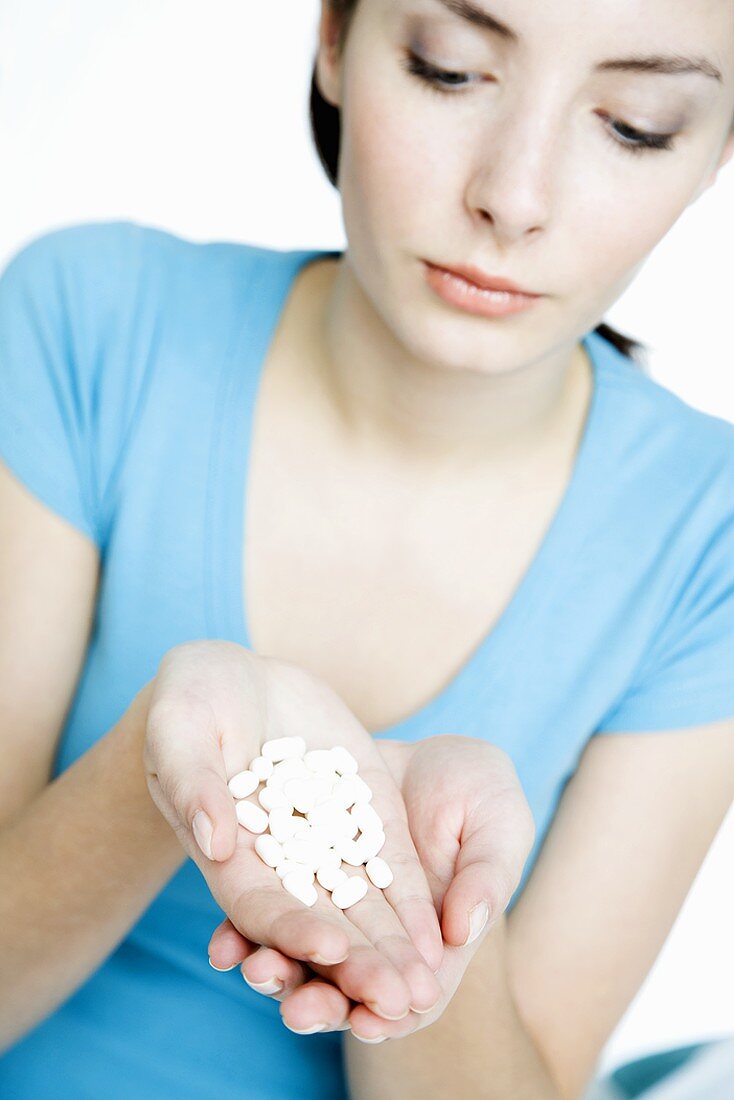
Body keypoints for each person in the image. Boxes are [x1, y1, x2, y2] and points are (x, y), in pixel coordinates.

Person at [1, 0, 734, 1096]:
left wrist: (436, 917)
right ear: (335, 38)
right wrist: (162, 763)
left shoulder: (702, 537)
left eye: (632, 124)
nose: (512, 196)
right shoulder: (89, 322)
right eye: (448, 71)